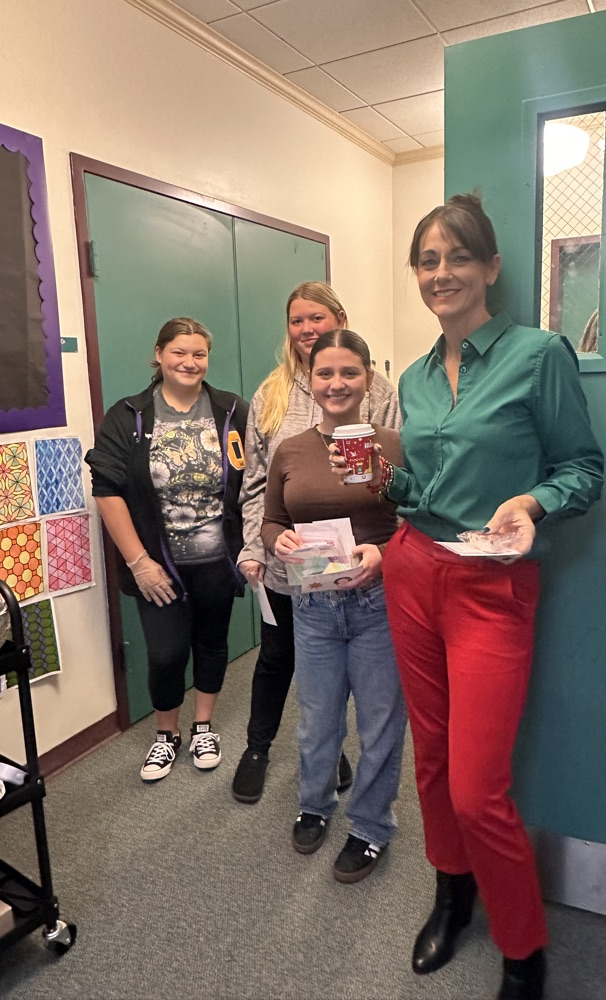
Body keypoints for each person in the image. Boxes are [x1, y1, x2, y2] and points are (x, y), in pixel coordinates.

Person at [340, 196, 603, 998]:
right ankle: (451, 891)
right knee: (432, 758)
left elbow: (583, 470)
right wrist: (385, 489)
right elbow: (422, 488)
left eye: (457, 258)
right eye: (427, 260)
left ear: (490, 269)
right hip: (414, 567)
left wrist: (530, 503)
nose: (440, 273)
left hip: (493, 582)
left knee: (475, 784)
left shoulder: (537, 354)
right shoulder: (411, 379)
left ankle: (523, 947)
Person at [232, 282, 401, 804]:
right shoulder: (271, 392)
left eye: (316, 318)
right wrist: (256, 546)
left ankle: (345, 770)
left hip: (366, 573)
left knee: (366, 693)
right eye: (296, 320)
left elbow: (397, 481)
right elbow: (258, 485)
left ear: (339, 319)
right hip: (295, 570)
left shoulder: (378, 391)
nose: (306, 328)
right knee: (285, 662)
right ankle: (259, 750)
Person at [261, 328, 407, 883]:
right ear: (310, 379)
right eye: (325, 373)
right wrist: (279, 541)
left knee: (380, 724)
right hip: (314, 605)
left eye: (350, 372)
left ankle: (370, 825)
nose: (337, 383)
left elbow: (418, 518)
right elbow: (271, 519)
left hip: (378, 604)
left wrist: (385, 552)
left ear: (368, 379)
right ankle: (315, 805)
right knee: (317, 721)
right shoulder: (291, 450)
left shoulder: (392, 445)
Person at [85, 317, 248, 782]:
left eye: (199, 354)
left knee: (212, 644)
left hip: (218, 560)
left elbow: (252, 477)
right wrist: (140, 564)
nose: (189, 362)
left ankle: (202, 727)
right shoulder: (129, 415)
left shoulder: (231, 410)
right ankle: (165, 735)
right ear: (158, 355)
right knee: (166, 654)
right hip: (159, 566)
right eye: (179, 352)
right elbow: (107, 489)